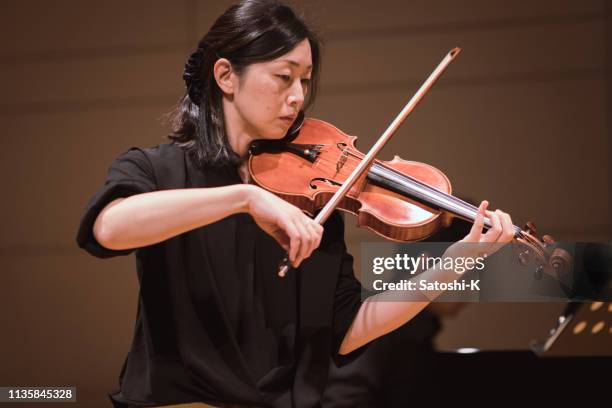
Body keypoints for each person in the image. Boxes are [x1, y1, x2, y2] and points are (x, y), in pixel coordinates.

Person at [76, 1, 516, 407]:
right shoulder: (159, 170)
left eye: (305, 80)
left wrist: (454, 264)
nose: (298, 97)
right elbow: (109, 228)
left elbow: (347, 330)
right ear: (227, 75)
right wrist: (244, 198)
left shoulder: (314, 197)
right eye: (284, 77)